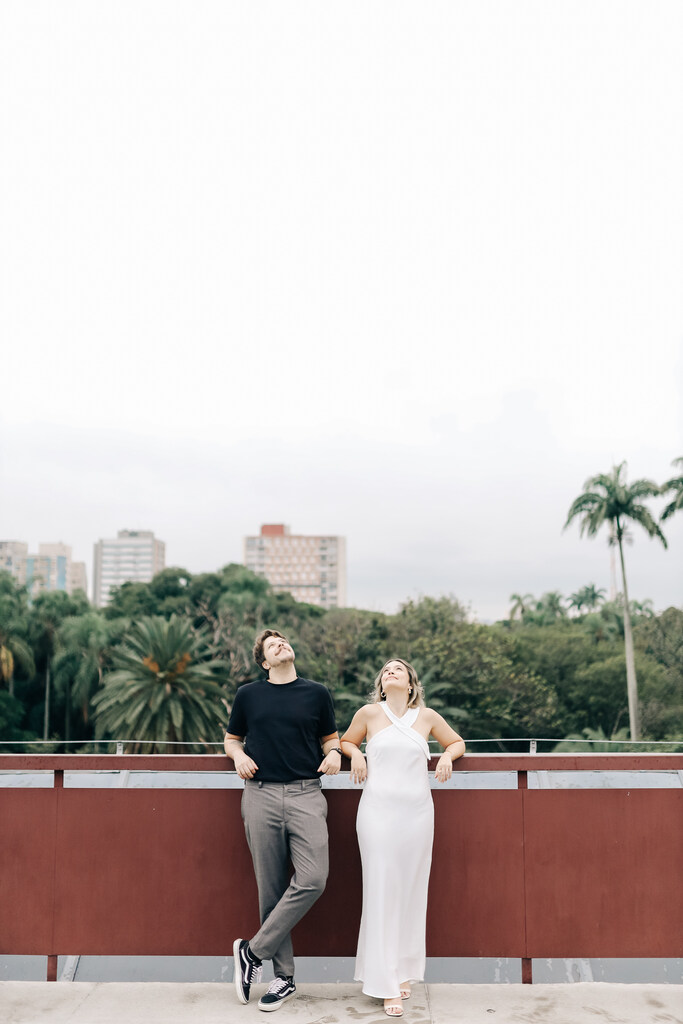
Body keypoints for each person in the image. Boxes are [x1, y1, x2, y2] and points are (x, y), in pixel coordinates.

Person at [224, 629, 342, 1012]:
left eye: (284, 640)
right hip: (259, 795)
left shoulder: (316, 693)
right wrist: (238, 757)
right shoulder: (249, 695)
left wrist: (337, 753)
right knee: (270, 888)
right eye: (272, 645)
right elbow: (231, 739)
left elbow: (330, 739)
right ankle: (284, 979)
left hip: (307, 793)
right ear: (264, 662)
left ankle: (252, 951)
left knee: (313, 879)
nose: (281, 644)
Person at [340, 658, 465, 1017]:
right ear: (382, 683)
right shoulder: (368, 713)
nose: (390, 671)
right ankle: (384, 983)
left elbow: (457, 742)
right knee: (382, 890)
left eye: (398, 669)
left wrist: (447, 758)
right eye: (385, 670)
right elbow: (346, 742)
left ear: (411, 684)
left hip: (417, 815)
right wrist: (356, 755)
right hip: (377, 814)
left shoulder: (426, 717)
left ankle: (404, 969)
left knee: (412, 890)